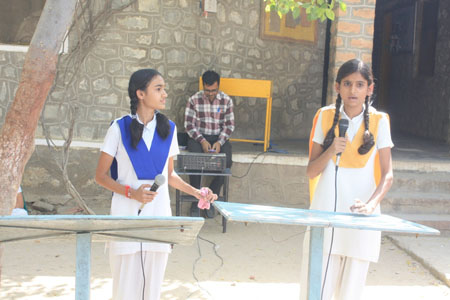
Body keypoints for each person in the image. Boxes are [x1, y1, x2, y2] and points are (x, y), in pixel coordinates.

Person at [95, 69, 217, 300]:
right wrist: (131, 193)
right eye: (158, 89)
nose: (165, 94)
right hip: (125, 218)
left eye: (164, 89)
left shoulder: (168, 129)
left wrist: (198, 192)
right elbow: (100, 176)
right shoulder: (118, 129)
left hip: (160, 216)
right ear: (140, 94)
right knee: (124, 292)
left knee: (152, 292)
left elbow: (169, 175)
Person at [300, 59, 394, 300]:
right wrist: (331, 150)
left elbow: (387, 175)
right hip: (325, 215)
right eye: (348, 83)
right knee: (316, 290)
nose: (353, 90)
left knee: (351, 293)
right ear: (337, 87)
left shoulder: (380, 121)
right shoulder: (324, 116)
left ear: (370, 89)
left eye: (360, 84)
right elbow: (311, 171)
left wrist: (371, 206)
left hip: (361, 218)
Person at [184, 70, 234, 217]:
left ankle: (211, 197)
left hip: (219, 137)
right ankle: (196, 199)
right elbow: (188, 125)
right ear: (203, 86)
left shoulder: (226, 100)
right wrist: (202, 140)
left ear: (218, 86)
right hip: (199, 137)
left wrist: (220, 141)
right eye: (207, 90)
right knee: (193, 161)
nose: (210, 93)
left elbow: (229, 125)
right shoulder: (194, 100)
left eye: (213, 90)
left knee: (227, 162)